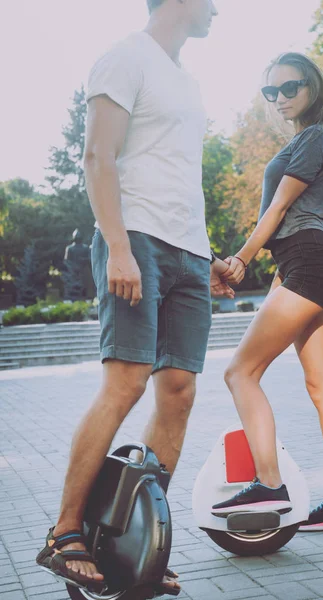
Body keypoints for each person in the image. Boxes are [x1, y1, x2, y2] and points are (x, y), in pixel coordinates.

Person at [36, 0, 230, 595]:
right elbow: (98, 156)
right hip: (137, 239)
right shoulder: (125, 57)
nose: (217, 8)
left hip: (188, 252)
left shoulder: (188, 80)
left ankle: (133, 537)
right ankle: (65, 532)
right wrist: (118, 246)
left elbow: (175, 173)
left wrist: (207, 251)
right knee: (126, 381)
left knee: (179, 391)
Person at [211, 52, 323, 532]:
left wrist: (240, 260)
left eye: (289, 88)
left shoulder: (314, 136)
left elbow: (277, 211)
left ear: (312, 86)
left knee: (240, 373)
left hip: (309, 263)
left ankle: (269, 484)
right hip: (306, 265)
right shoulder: (310, 139)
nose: (279, 99)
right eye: (270, 92)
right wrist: (275, 273)